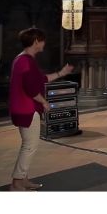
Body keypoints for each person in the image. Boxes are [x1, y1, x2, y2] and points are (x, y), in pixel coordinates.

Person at [8, 27, 74, 191]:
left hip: (21, 108)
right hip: (26, 109)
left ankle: (23, 179)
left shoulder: (22, 59)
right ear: (36, 41)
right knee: (29, 146)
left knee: (28, 144)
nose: (44, 43)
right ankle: (17, 183)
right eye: (42, 40)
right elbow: (31, 89)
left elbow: (41, 79)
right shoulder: (26, 61)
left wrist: (61, 73)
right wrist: (44, 102)